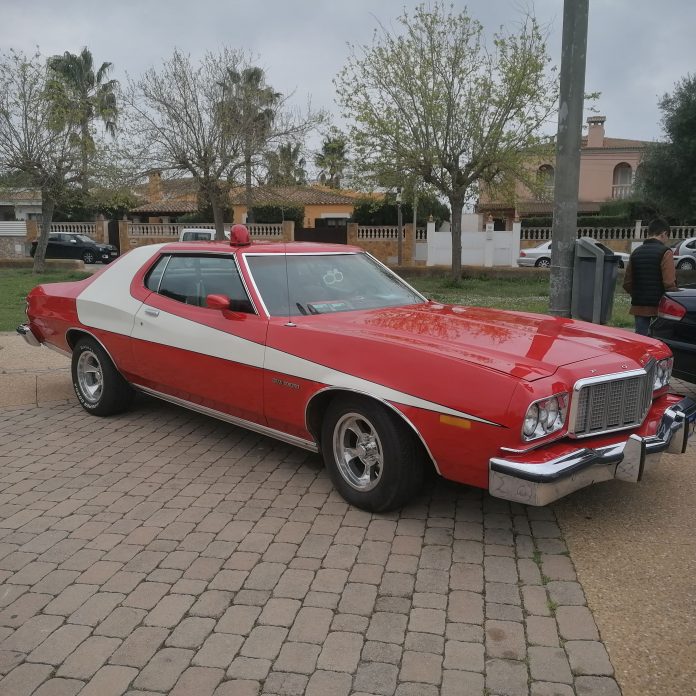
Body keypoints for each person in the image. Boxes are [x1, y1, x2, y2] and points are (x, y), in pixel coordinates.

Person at [622, 217, 677, 335]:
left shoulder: (635, 253)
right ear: (664, 234)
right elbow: (669, 283)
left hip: (639, 307)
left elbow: (627, 283)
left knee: (641, 342)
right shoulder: (666, 252)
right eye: (667, 237)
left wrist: (637, 294)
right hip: (659, 307)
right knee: (659, 340)